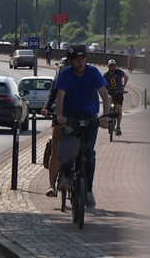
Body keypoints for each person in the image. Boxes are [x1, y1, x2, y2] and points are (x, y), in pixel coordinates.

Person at [53, 44, 110, 208]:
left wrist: (104, 117)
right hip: (70, 115)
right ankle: (65, 175)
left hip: (89, 116)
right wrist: (60, 116)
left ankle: (88, 191)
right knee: (68, 145)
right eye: (77, 60)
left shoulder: (92, 72)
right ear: (70, 61)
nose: (80, 63)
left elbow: (105, 96)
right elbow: (60, 98)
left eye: (83, 59)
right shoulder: (65, 74)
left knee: (89, 152)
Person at [41, 57, 69, 197]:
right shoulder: (58, 79)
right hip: (59, 116)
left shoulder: (80, 78)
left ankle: (81, 178)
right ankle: (52, 185)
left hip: (76, 116)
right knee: (55, 149)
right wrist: (46, 108)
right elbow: (52, 95)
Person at [103, 59, 129, 136]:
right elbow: (102, 83)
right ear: (108, 66)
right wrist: (105, 91)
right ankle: (107, 119)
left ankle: (118, 127)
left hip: (118, 93)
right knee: (107, 104)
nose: (112, 67)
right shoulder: (106, 75)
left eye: (114, 65)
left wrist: (124, 86)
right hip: (110, 93)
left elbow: (126, 77)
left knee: (119, 110)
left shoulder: (119, 72)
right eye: (111, 65)